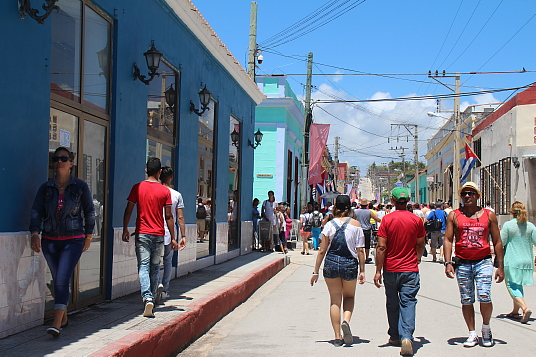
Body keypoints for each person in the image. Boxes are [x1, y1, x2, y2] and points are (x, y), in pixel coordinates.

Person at [30, 147, 95, 338]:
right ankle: (64, 316)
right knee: (57, 278)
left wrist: (88, 236)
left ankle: (56, 323)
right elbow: (36, 212)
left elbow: (89, 211)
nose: (60, 161)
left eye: (64, 158)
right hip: (49, 240)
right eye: (56, 158)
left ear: (71, 163)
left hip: (72, 240)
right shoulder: (46, 187)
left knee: (61, 279)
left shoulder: (80, 186)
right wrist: (35, 233)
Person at [443, 182, 504, 348]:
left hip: (483, 261)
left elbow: (497, 240)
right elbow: (448, 239)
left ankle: (486, 328)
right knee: (467, 299)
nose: (467, 196)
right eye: (464, 194)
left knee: (485, 296)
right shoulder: (454, 215)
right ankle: (472, 333)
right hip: (462, 263)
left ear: (478, 196)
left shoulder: (488, 215)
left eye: (471, 193)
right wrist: (448, 262)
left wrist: (500, 266)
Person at [122, 157, 178, 318]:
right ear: (160, 172)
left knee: (143, 266)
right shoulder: (164, 191)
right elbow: (169, 216)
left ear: (146, 170)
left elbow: (128, 210)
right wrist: (173, 237)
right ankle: (152, 298)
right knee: (155, 267)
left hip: (142, 234)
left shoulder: (137, 188)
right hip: (159, 234)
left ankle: (147, 297)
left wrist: (125, 228)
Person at [373, 187, 426, 356]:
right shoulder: (416, 220)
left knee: (392, 302)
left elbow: (381, 247)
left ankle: (395, 336)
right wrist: (417, 258)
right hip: (410, 269)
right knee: (408, 301)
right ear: (408, 200)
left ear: (393, 201)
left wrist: (378, 270)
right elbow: (420, 243)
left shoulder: (387, 220)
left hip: (391, 268)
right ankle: (407, 337)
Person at [310, 195, 365, 347]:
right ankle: (346, 321)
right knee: (349, 296)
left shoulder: (329, 225)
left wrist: (315, 271)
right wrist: (362, 270)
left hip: (331, 264)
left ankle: (337, 337)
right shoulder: (356, 225)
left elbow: (322, 250)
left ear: (335, 207)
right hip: (349, 264)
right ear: (350, 208)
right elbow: (360, 250)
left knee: (335, 300)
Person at [501, 201, 535, 323]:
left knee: (511, 285)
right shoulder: (530, 226)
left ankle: (524, 308)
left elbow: (502, 242)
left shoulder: (508, 225)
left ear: (512, 212)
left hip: (512, 260)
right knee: (518, 284)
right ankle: (515, 312)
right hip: (526, 260)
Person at [157, 167, 186, 302]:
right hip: (170, 233)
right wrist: (183, 236)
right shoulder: (176, 195)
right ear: (171, 178)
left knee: (155, 261)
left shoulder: (155, 192)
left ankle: (157, 284)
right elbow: (180, 218)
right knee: (168, 261)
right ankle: (165, 289)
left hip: (155, 231)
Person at [354, 199, 381, 263]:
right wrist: (382, 220)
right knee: (367, 245)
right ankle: (366, 257)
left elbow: (353, 219)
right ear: (367, 205)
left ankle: (359, 257)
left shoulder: (356, 211)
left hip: (359, 229)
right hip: (367, 230)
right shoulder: (369, 212)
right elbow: (376, 219)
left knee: (358, 244)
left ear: (360, 205)